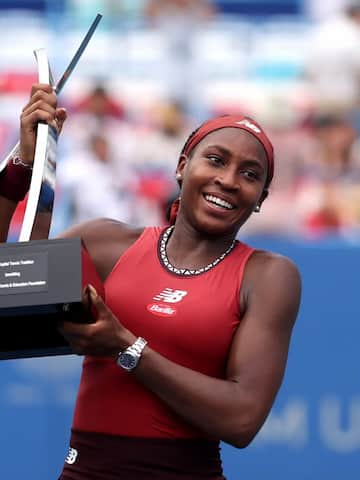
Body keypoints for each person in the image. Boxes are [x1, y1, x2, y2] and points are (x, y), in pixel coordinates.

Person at [0, 83, 301, 480]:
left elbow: (242, 420)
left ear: (261, 196)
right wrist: (23, 164)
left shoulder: (269, 275)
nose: (228, 180)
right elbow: (15, 287)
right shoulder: (104, 242)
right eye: (215, 160)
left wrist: (127, 347)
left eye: (249, 174)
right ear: (182, 166)